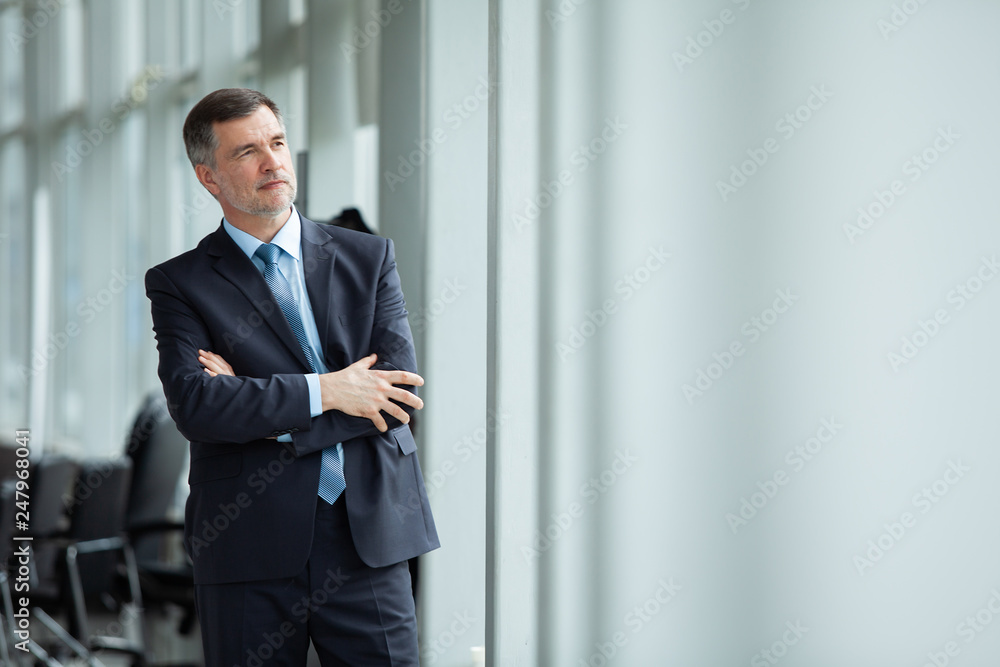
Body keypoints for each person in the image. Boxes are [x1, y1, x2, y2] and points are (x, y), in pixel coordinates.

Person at [145, 88, 438, 665]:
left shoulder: (368, 258)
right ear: (209, 177)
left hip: (368, 539)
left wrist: (261, 408)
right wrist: (332, 390)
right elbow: (198, 407)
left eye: (278, 143)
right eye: (247, 151)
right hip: (246, 543)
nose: (273, 162)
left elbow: (395, 400)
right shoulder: (179, 283)